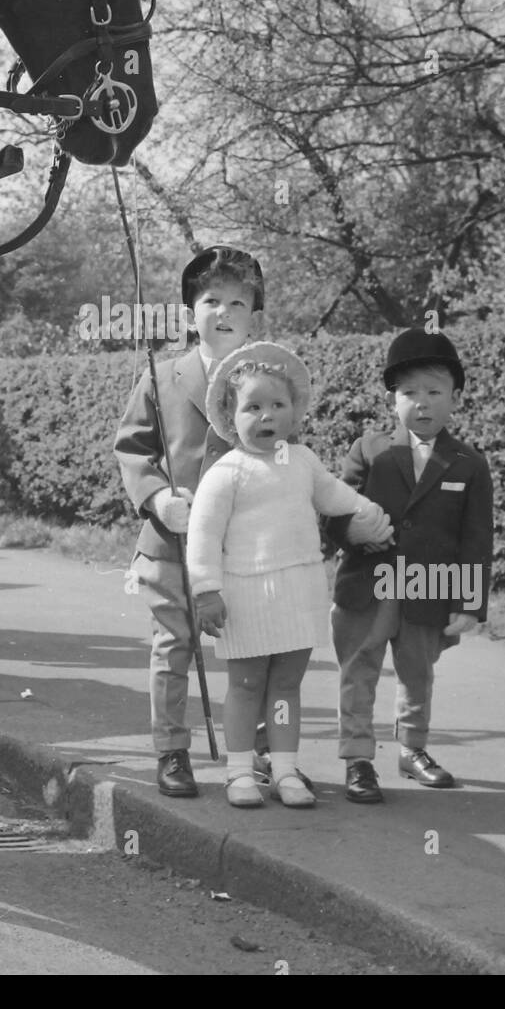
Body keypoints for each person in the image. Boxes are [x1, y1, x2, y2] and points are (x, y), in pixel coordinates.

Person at [186, 343, 394, 808]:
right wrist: (206, 591)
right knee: (244, 685)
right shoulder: (226, 473)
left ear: (294, 412)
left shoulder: (303, 461)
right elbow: (202, 535)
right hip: (244, 596)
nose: (267, 417)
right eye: (253, 407)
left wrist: (370, 513)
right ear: (230, 414)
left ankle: (283, 770)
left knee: (285, 687)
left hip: (298, 593)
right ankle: (239, 771)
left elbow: (337, 496)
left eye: (277, 405)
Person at [115, 245, 268, 798]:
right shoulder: (161, 376)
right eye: (210, 301)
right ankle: (172, 750)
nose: (223, 312)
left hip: (243, 544)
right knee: (172, 647)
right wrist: (157, 498)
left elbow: (284, 455)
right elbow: (132, 449)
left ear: (255, 317)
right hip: (169, 545)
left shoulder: (268, 379)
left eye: (237, 303)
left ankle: (255, 752)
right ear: (188, 314)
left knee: (252, 647)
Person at [326, 329, 493, 803]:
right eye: (409, 393)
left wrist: (470, 603)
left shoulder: (469, 464)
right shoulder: (369, 450)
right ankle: (358, 758)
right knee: (359, 668)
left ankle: (412, 749)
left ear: (456, 398)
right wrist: (348, 533)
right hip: (367, 584)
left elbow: (477, 539)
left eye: (434, 392)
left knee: (418, 672)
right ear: (391, 399)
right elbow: (333, 510)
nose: (422, 403)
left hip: (430, 589)